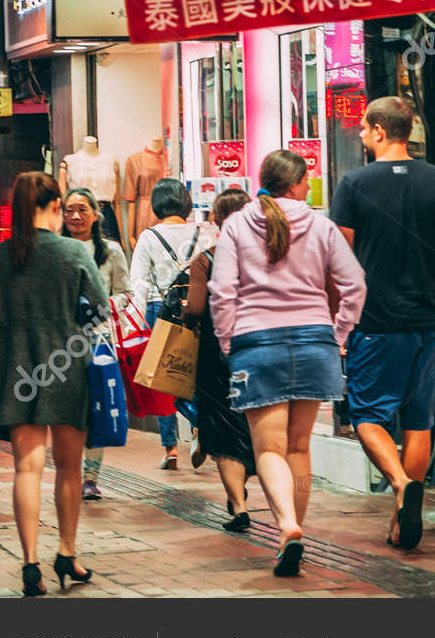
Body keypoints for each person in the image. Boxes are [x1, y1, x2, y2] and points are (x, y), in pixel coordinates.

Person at [209, 149, 364, 576]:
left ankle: (287, 526)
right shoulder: (321, 225)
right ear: (297, 184)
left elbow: (222, 292)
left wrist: (229, 342)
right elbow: (354, 283)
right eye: (306, 179)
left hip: (256, 345)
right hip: (315, 343)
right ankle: (293, 534)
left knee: (269, 450)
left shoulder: (237, 223)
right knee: (298, 446)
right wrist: (338, 334)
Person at [0, 172, 109, 596]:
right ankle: (67, 553)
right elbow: (101, 309)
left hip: (16, 368)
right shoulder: (73, 251)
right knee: (69, 467)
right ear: (54, 207)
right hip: (66, 364)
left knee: (26, 468)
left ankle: (30, 564)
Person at [330, 96, 435, 551]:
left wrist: (339, 319)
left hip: (377, 321)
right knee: (419, 421)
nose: (360, 134)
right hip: (429, 320)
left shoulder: (354, 184)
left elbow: (341, 260)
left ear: (377, 130)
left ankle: (400, 484)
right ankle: (400, 519)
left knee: (367, 416)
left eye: (362, 127)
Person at [182, 189, 259, 531]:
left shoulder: (206, 260)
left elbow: (196, 309)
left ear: (214, 219)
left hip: (217, 356)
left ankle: (239, 505)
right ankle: (249, 475)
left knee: (223, 427)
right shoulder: (265, 258)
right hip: (259, 350)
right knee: (255, 424)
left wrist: (185, 313)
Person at [129, 178, 203, 469]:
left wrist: (134, 323)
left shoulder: (149, 237)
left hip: (159, 309)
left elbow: (138, 284)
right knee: (195, 374)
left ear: (157, 205)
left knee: (163, 381)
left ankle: (171, 449)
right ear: (185, 203)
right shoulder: (202, 232)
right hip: (196, 309)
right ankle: (199, 426)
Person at [62, 188, 131, 501]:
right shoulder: (56, 249)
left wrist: (104, 306)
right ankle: (70, 471)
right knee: (69, 411)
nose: (75, 216)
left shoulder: (111, 251)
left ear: (95, 214)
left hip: (100, 341)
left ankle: (91, 477)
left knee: (97, 408)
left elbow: (126, 293)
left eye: (82, 209)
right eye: (69, 210)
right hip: (62, 343)